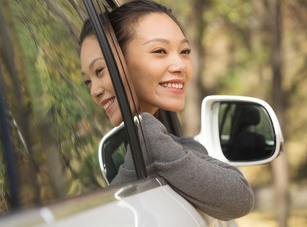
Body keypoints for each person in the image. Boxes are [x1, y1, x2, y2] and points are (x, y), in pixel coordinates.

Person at [79, 0, 254, 221]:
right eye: (160, 50)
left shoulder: (152, 139)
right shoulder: (147, 139)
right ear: (120, 63)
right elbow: (240, 198)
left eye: (184, 51)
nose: (94, 90)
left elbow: (239, 197)